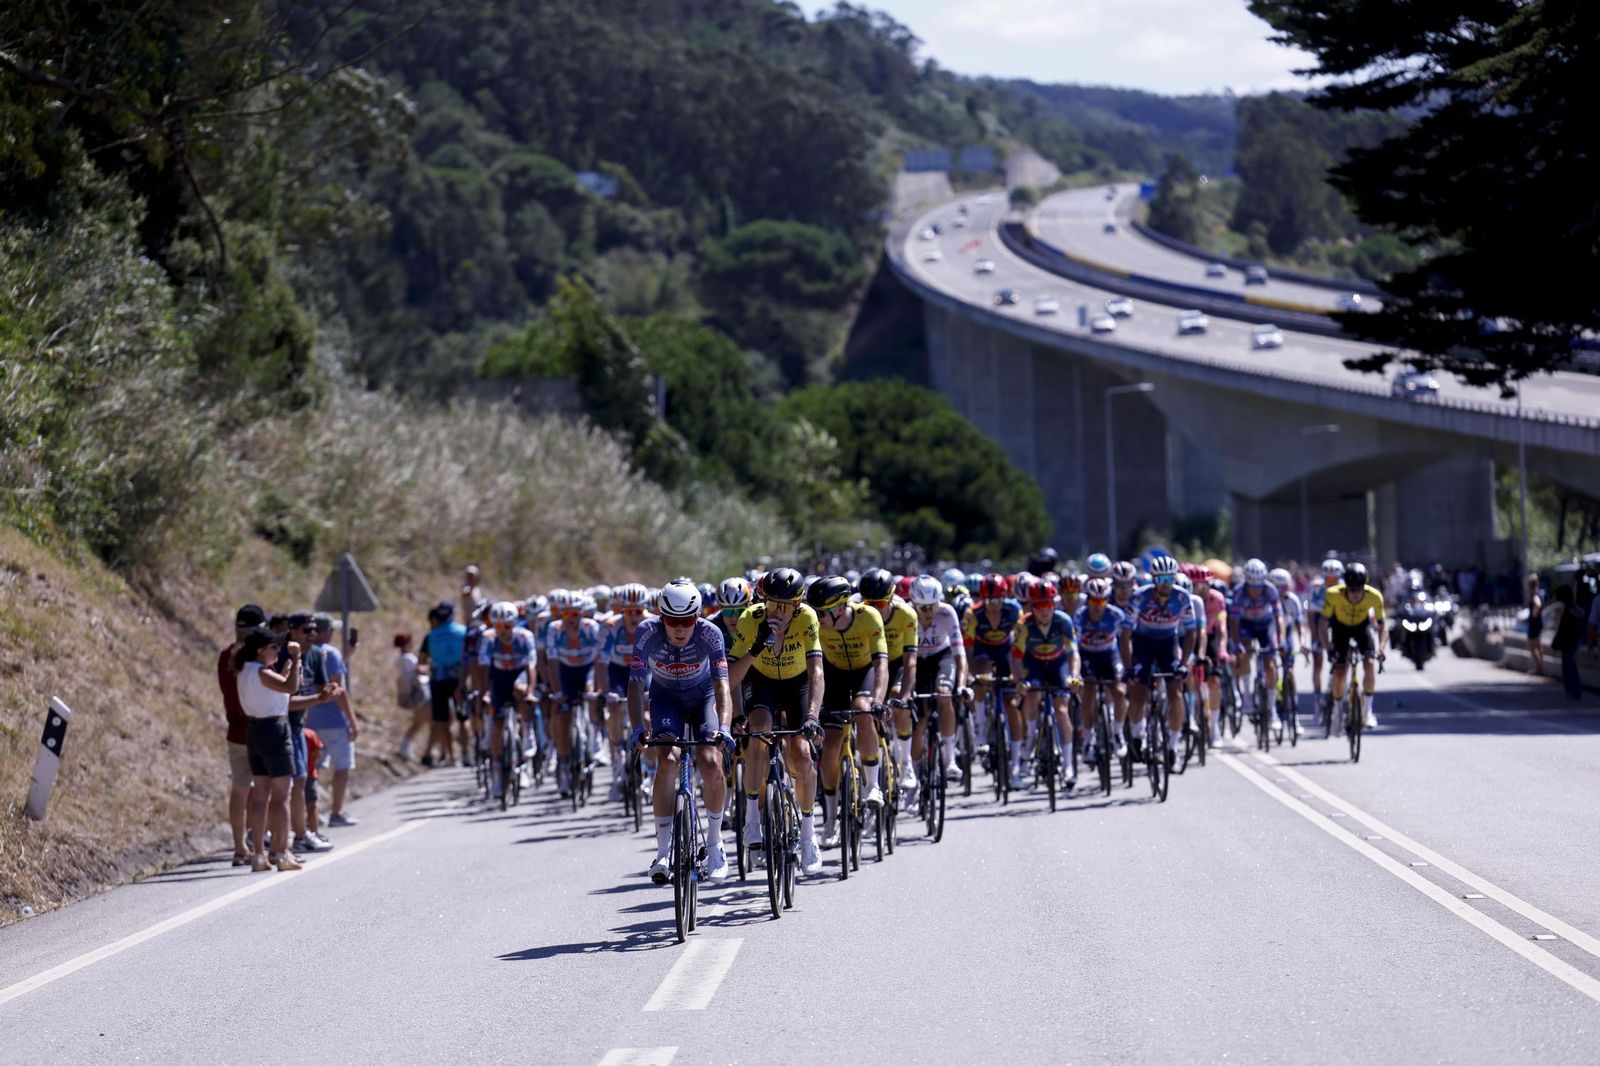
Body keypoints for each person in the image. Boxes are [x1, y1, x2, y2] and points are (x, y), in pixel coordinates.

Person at [629, 582, 734, 882]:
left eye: (687, 620)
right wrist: (638, 727)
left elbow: (722, 685)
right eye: (672, 621)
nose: (679, 628)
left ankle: (715, 845)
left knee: (711, 760)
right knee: (668, 762)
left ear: (698, 617)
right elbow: (635, 684)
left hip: (704, 699)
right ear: (661, 616)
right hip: (665, 699)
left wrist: (724, 726)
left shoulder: (710, 634)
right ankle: (663, 851)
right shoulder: (646, 632)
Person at [727, 566, 826, 876]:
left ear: (797, 605)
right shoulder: (750, 618)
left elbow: (817, 672)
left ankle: (809, 837)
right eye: (772, 603)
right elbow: (731, 679)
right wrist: (758, 644)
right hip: (763, 682)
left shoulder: (807, 618)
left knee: (802, 755)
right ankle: (753, 820)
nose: (778, 611)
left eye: (785, 605)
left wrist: (812, 715)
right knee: (759, 733)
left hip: (797, 683)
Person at [236, 625, 304, 873]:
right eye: (274, 647)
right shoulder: (262, 672)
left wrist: (287, 670)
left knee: (261, 796)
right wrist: (296, 659)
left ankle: (259, 855)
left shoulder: (245, 670)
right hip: (274, 731)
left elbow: (279, 689)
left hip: (255, 730)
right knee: (281, 796)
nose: (278, 650)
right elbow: (290, 688)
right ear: (261, 650)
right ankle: (281, 852)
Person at [304, 615, 360, 827]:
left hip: (311, 719)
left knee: (312, 770)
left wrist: (345, 656)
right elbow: (338, 689)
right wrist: (352, 721)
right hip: (335, 721)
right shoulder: (332, 653)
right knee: (342, 767)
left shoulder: (307, 653)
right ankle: (336, 812)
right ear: (326, 631)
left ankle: (313, 813)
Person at [221, 605, 266, 865]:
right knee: (262, 789)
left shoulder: (225, 655)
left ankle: (240, 847)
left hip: (235, 730)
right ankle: (259, 843)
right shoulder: (251, 660)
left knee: (239, 790)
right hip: (256, 727)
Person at [1322, 562, 1386, 730]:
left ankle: (1367, 710)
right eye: (1351, 590)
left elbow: (1382, 625)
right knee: (1340, 671)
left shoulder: (1375, 596)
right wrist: (1328, 648)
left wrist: (1381, 648)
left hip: (1361, 627)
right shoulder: (1332, 594)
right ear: (1345, 587)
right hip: (1340, 629)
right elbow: (1322, 624)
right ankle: (1337, 711)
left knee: (1370, 664)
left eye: (1359, 590)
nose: (1356, 594)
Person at [418, 602, 467, 767]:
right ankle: (466, 754)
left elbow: (422, 661)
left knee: (442, 720)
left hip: (438, 681)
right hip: (459, 679)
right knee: (463, 717)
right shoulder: (463, 632)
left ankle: (452, 756)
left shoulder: (431, 635)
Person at [296, 727, 332, 853]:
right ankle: (306, 832)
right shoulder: (306, 733)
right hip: (307, 774)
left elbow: (317, 751)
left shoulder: (310, 734)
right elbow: (318, 754)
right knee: (310, 806)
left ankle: (314, 832)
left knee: (310, 805)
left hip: (309, 774)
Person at [395, 632, 429, 761]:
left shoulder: (400, 658)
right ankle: (405, 747)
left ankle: (406, 747)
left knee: (418, 721)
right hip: (417, 692)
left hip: (411, 693)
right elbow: (419, 670)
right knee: (419, 721)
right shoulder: (408, 658)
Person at [1550, 585, 1584, 700]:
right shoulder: (1572, 609)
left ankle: (1574, 691)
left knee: (1569, 667)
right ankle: (1573, 691)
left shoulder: (1570, 610)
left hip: (1571, 643)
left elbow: (1564, 629)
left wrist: (1555, 644)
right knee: (1569, 666)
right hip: (1572, 642)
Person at [1525, 575, 1544, 676]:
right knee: (1536, 644)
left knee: (1532, 644)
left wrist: (1533, 615)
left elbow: (1538, 605)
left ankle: (1539, 667)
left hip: (1535, 623)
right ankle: (1539, 667)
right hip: (1538, 623)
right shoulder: (1539, 592)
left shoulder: (1535, 594)